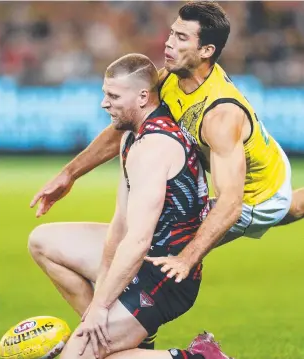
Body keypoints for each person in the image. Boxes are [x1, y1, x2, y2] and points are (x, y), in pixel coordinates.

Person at [29, 0, 303, 351]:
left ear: (206, 50)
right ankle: (122, 334)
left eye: (181, 37)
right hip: (250, 166)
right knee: (135, 249)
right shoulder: (171, 77)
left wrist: (186, 258)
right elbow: (126, 121)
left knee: (280, 209)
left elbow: (231, 204)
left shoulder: (220, 115)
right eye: (172, 32)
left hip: (254, 196)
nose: (169, 42)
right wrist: (70, 173)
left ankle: (145, 340)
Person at [31, 53, 233, 359]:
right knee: (42, 241)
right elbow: (120, 226)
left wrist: (100, 307)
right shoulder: (132, 137)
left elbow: (138, 241)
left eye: (112, 96)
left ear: (142, 97)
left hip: (164, 275)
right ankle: (121, 335)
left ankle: (200, 357)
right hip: (144, 256)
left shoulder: (154, 147)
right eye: (104, 94)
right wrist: (99, 305)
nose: (104, 103)